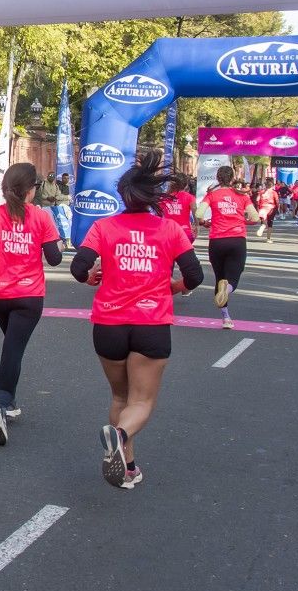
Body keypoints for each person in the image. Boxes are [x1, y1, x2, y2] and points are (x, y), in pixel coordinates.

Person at [70, 149, 204, 489]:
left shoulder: (104, 227)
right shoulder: (170, 229)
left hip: (109, 325)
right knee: (141, 402)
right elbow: (195, 275)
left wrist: (89, 277)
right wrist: (174, 287)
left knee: (120, 398)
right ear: (151, 195)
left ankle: (127, 466)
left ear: (122, 195)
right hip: (151, 325)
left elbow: (78, 266)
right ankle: (119, 435)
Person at [0, 162, 63, 445]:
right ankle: (2, 406)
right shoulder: (41, 217)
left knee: (12, 347)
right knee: (13, 350)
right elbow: (55, 259)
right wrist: (58, 244)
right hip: (29, 296)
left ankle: (10, 400)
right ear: (30, 190)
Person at [194, 165, 258, 331]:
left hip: (217, 241)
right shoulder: (242, 195)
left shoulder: (212, 194)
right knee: (233, 278)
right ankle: (227, 289)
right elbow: (255, 217)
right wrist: (241, 219)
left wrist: (205, 222)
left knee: (220, 277)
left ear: (217, 178)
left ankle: (226, 318)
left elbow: (199, 214)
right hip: (237, 239)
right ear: (232, 178)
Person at [158, 181, 196, 246]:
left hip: (169, 233)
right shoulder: (190, 197)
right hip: (185, 233)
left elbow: (158, 212)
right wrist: (197, 226)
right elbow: (195, 212)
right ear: (185, 186)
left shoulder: (165, 197)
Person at [53, 173, 74, 249]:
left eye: (68, 178)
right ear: (62, 178)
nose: (66, 180)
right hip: (60, 208)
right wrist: (67, 197)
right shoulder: (58, 186)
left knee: (67, 225)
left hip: (66, 208)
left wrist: (69, 200)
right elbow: (57, 197)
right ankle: (61, 241)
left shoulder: (67, 186)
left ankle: (66, 242)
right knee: (60, 226)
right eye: (65, 178)